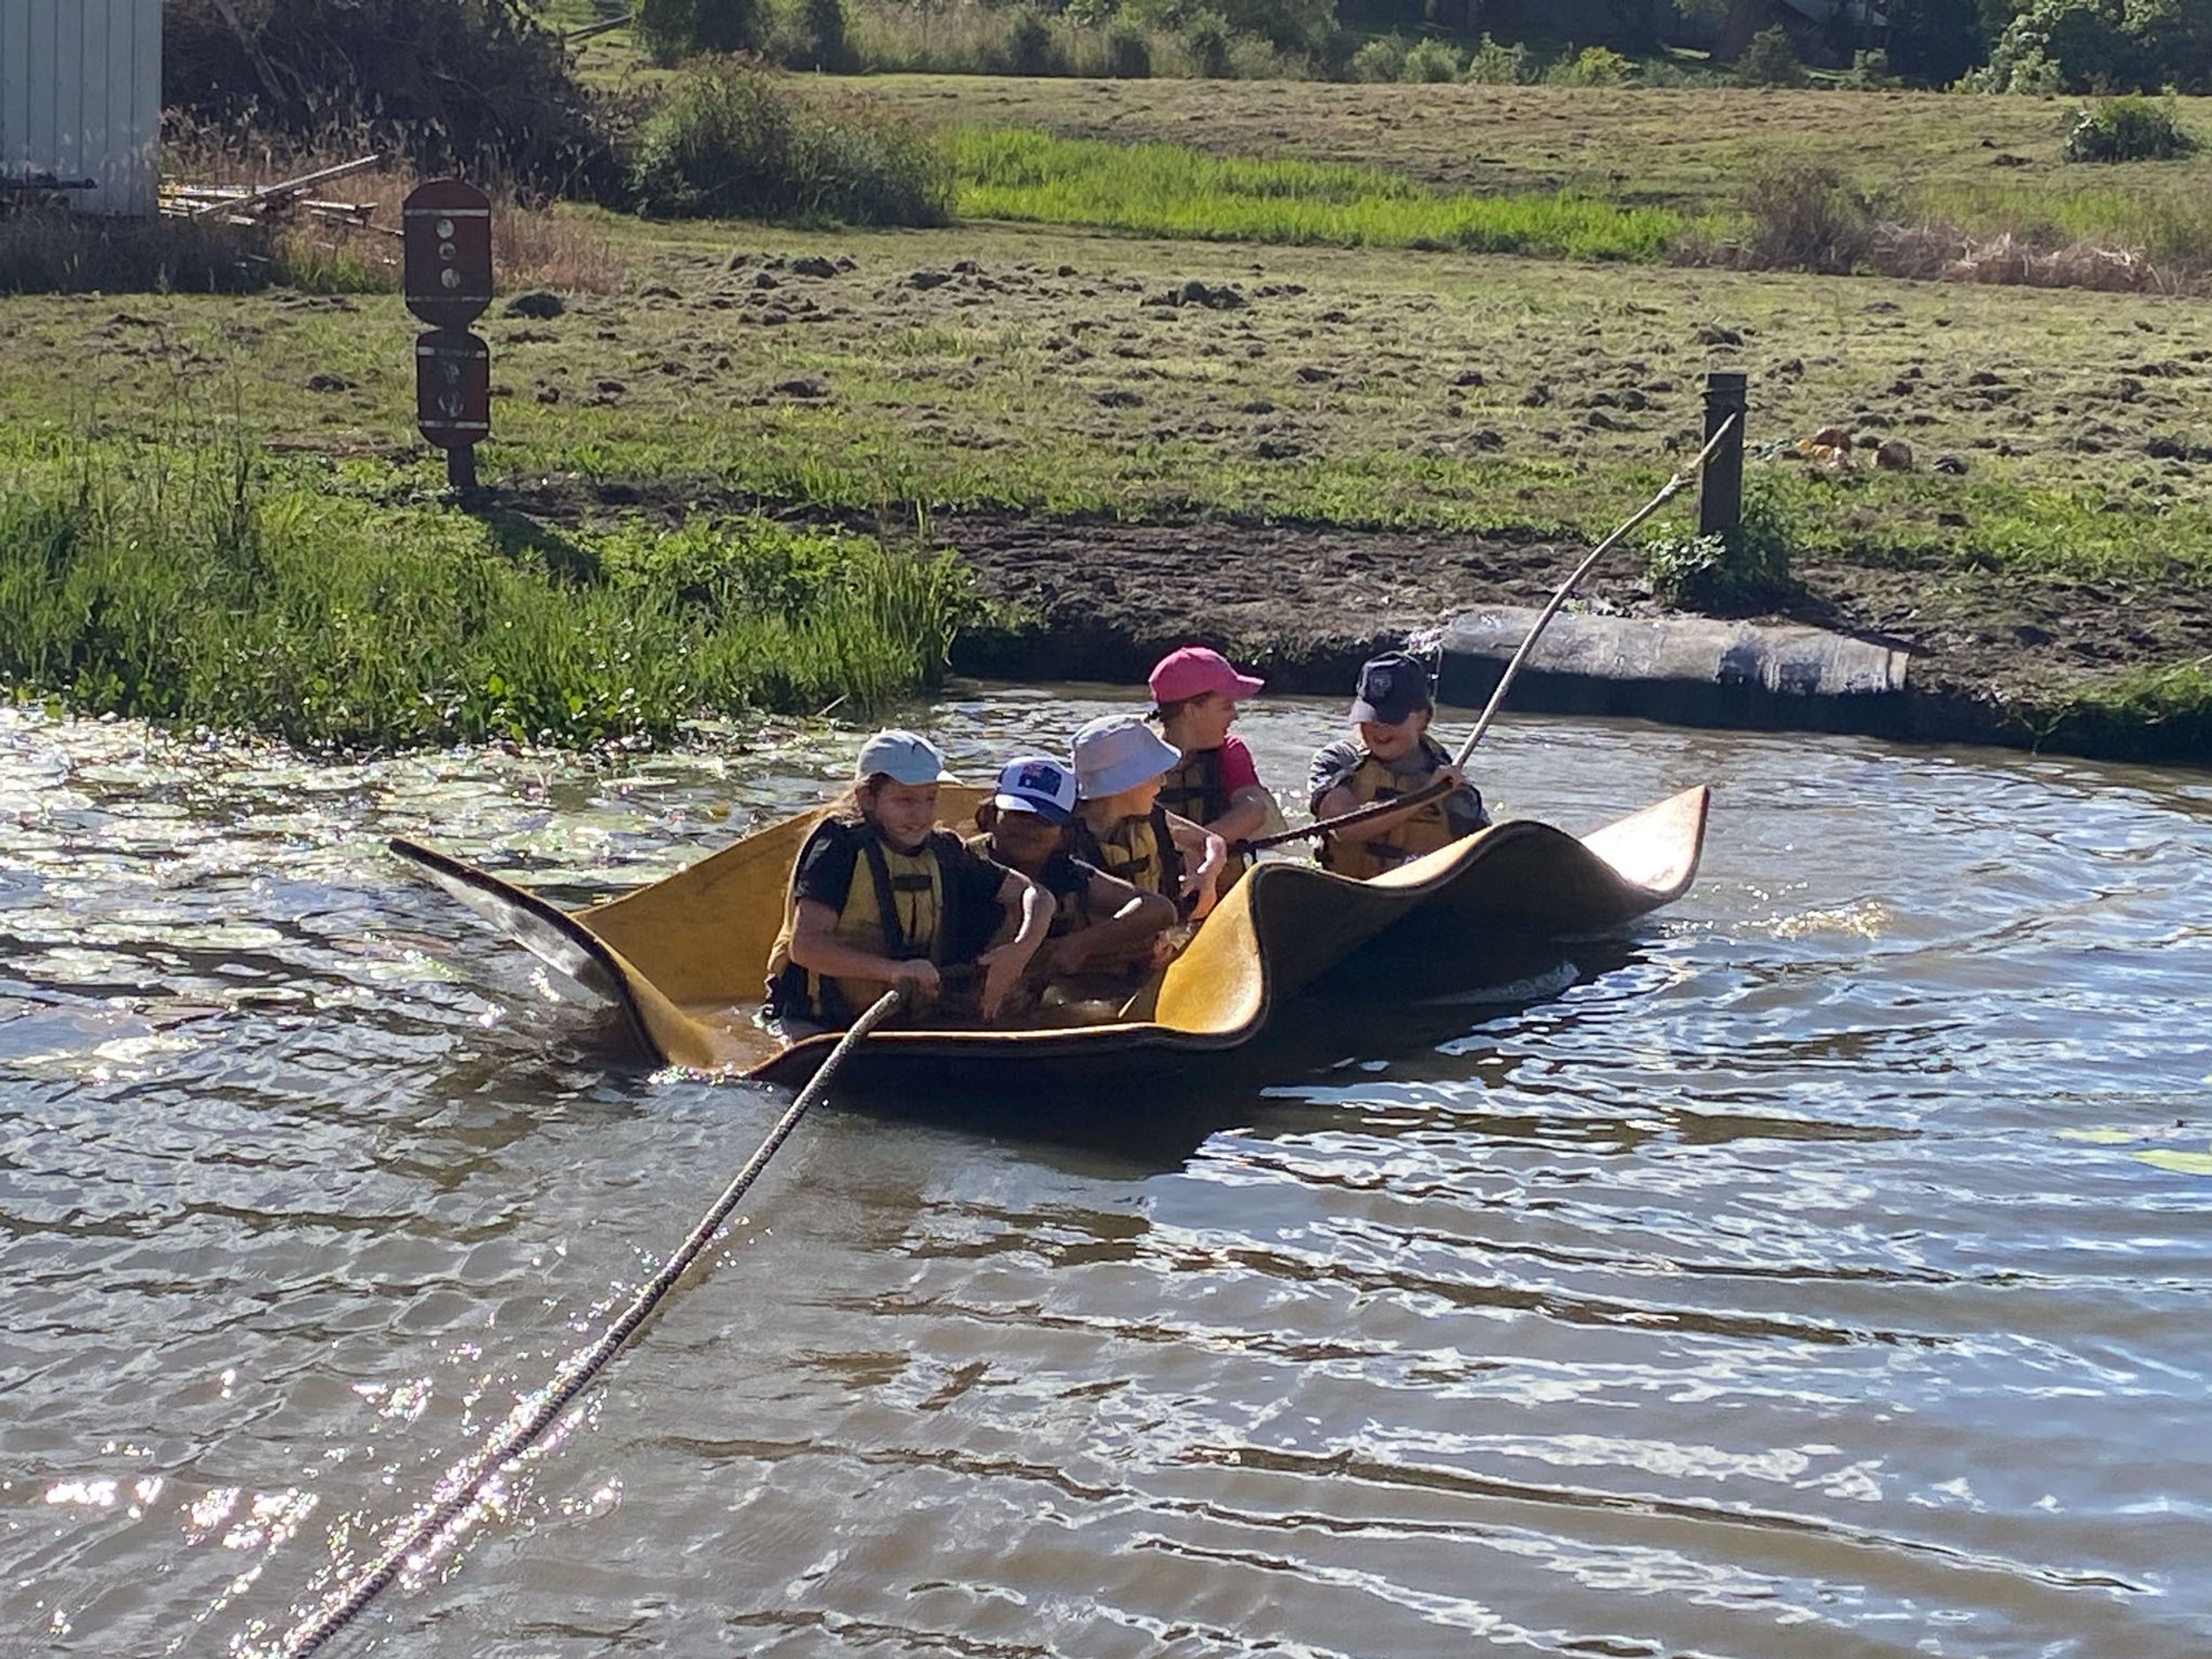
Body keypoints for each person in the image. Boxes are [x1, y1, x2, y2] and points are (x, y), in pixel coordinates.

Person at [764, 729, 1048, 1034]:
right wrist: (895, 972)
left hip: (903, 1019)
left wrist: (1019, 951)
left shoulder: (943, 848)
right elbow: (806, 947)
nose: (921, 816)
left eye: (930, 799)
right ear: (867, 798)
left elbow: (1036, 895)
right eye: (905, 800)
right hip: (816, 1020)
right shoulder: (838, 848)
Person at [969, 755, 1179, 985]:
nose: (1028, 828)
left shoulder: (1065, 871)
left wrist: (1080, 944)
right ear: (989, 817)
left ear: (1065, 834)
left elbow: (1160, 909)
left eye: (1045, 820)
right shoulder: (964, 861)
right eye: (1018, 814)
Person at [1308, 652, 1490, 880]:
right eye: (1370, 717)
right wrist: (1426, 795)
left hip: (1418, 895)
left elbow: (1483, 857)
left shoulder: (1451, 786)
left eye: (1392, 718)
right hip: (1344, 888)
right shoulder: (1337, 760)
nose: (1379, 728)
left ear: (1423, 718)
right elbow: (1342, 827)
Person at [1070, 713, 1228, 921]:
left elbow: (1212, 841)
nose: (1163, 782)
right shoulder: (1064, 838)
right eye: (1154, 774)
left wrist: (1207, 875)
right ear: (1125, 783)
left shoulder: (1153, 816)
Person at [1148, 645, 1276, 890]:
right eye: (1226, 706)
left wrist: (1198, 846)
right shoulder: (1139, 758)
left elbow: (1254, 810)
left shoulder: (1230, 750)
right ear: (1191, 711)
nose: (1235, 715)